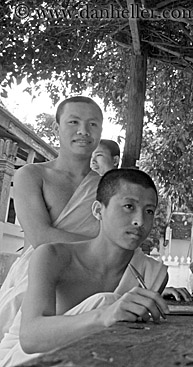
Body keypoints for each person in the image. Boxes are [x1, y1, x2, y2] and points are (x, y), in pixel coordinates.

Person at [0, 169, 176, 366]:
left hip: (90, 358)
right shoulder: (53, 256)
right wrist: (104, 315)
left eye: (149, 211)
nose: (140, 221)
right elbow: (30, 338)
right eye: (128, 206)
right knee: (107, 300)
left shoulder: (152, 274)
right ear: (98, 211)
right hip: (22, 358)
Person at [0, 96, 103, 339]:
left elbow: (121, 239)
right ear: (57, 128)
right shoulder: (32, 175)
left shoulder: (108, 187)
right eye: (74, 122)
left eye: (92, 124)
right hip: (36, 278)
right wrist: (104, 247)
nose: (83, 131)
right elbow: (41, 237)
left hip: (91, 280)